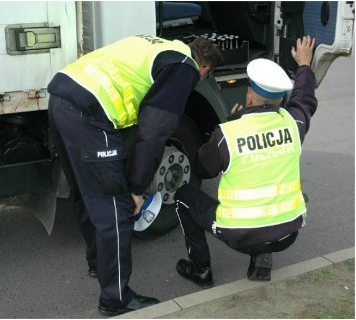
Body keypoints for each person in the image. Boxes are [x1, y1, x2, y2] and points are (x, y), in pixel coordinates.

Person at [47, 34, 223, 316]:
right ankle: (115, 298)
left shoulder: (158, 45)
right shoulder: (184, 67)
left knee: (85, 191)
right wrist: (137, 188)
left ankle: (98, 262)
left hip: (61, 98)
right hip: (90, 113)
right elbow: (154, 131)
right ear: (205, 69)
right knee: (116, 209)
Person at [174, 35, 316, 288]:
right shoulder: (294, 124)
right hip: (288, 234)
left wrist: (227, 125)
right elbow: (304, 99)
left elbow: (202, 169)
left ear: (249, 97)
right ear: (281, 99)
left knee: (185, 196)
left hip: (239, 236)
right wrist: (304, 65)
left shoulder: (228, 134)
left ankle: (200, 268)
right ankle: (262, 257)